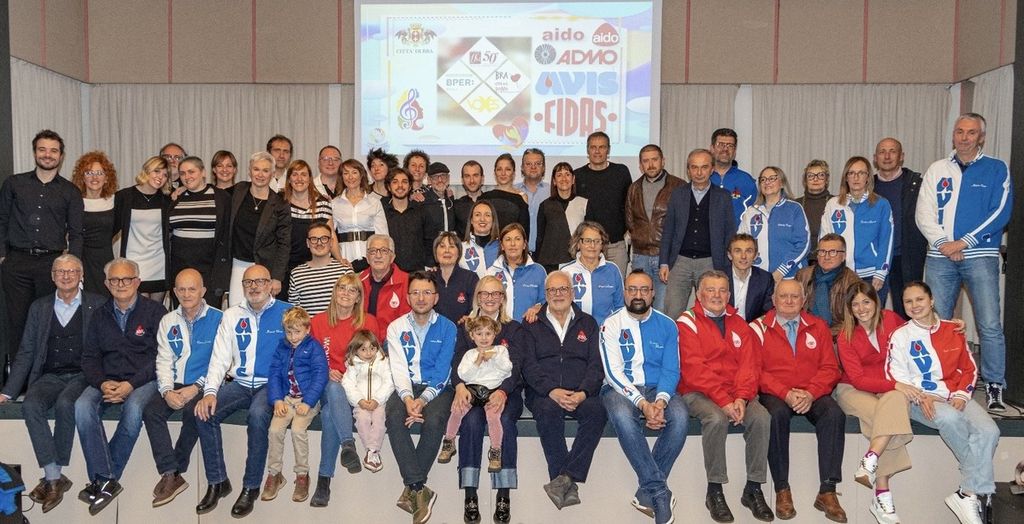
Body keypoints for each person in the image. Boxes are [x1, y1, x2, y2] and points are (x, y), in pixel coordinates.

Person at [916, 112, 1013, 412]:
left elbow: (1001, 212)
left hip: (980, 255)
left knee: (989, 324)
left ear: (981, 137)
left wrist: (964, 242)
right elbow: (923, 212)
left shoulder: (996, 168)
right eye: (960, 131)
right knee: (935, 322)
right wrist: (944, 244)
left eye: (971, 132)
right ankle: (939, 381)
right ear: (953, 135)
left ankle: (994, 385)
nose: (964, 137)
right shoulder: (937, 169)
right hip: (940, 256)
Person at [888, 281, 1000, 524]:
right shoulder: (900, 335)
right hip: (920, 400)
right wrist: (921, 395)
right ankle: (977, 491)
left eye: (920, 299)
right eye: (908, 301)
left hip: (954, 395)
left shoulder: (953, 329)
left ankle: (967, 492)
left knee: (990, 431)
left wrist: (960, 395)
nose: (914, 305)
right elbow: (896, 376)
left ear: (932, 301)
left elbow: (969, 368)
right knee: (950, 418)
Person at [0, 255, 103, 513]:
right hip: (49, 376)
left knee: (67, 403)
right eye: (60, 271)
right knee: (30, 405)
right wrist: (8, 392)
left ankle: (52, 479)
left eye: (72, 271)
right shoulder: (40, 307)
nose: (66, 276)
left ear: (81, 275)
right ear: (52, 276)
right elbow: (26, 351)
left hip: (82, 375)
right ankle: (55, 476)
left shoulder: (98, 304)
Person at [193, 264, 291, 518]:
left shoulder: (288, 312)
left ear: (270, 284)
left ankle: (251, 487)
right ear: (243, 286)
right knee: (204, 413)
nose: (254, 287)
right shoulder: (231, 315)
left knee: (257, 416)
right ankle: (217, 482)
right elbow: (219, 358)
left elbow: (300, 353)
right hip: (240, 383)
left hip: (271, 385)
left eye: (260, 281)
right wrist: (210, 392)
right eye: (248, 282)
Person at [677, 270, 774, 523]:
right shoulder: (686, 322)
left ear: (729, 295)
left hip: (735, 394)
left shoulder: (739, 323)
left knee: (761, 417)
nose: (717, 295)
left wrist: (741, 398)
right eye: (710, 290)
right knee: (716, 419)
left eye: (722, 290)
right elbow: (695, 370)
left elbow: (749, 366)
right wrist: (724, 401)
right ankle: (715, 490)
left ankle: (753, 488)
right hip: (698, 392)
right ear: (699, 294)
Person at [74, 257, 166, 515]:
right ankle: (107, 479)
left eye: (127, 279)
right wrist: (102, 383)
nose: (121, 284)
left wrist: (131, 384)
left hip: (145, 380)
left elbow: (162, 356)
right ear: (106, 284)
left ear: (138, 282)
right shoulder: (99, 315)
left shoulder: (156, 312)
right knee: (82, 406)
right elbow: (89, 358)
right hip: (107, 380)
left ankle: (104, 479)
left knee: (134, 409)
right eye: (114, 280)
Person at [750, 279, 846, 522]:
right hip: (776, 393)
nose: (789, 301)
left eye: (795, 296)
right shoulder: (758, 328)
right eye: (784, 296)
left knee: (834, 414)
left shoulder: (818, 326)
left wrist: (811, 393)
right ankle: (782, 489)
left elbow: (830, 368)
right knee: (776, 415)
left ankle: (827, 491)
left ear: (804, 301)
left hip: (811, 392)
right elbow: (756, 371)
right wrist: (785, 393)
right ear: (774, 300)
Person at [600, 270, 685, 524]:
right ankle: (659, 491)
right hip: (620, 389)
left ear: (653, 293)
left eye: (644, 290)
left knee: (680, 417)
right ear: (625, 293)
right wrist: (642, 404)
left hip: (658, 389)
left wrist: (659, 402)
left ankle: (646, 492)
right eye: (633, 289)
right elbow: (613, 373)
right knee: (622, 416)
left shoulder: (668, 325)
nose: (638, 295)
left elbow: (671, 369)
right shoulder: (610, 324)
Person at [521, 271, 606, 509]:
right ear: (545, 294)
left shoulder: (588, 323)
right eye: (552, 290)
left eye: (563, 289)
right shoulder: (531, 323)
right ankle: (564, 478)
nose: (558, 294)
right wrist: (551, 390)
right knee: (548, 411)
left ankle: (565, 478)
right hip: (543, 393)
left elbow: (596, 365)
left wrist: (583, 392)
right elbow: (528, 365)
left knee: (598, 411)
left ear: (572, 292)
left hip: (580, 391)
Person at [833, 281, 915, 524]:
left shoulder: (891, 320)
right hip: (852, 389)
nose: (862, 309)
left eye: (866, 302)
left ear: (876, 301)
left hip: (888, 388)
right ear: (849, 309)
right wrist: (895, 385)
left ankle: (870, 460)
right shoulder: (845, 336)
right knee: (885, 416)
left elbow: (921, 329)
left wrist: (952, 326)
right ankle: (882, 492)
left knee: (892, 405)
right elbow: (858, 380)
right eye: (855, 304)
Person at [2, 130, 84, 371]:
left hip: (51, 266)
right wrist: (3, 256)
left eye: (53, 151)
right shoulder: (14, 184)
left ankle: (44, 377)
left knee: (47, 322)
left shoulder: (70, 191)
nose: (48, 155)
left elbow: (77, 233)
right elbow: (1, 220)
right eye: (42, 149)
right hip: (16, 264)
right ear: (35, 152)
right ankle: (18, 381)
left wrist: (73, 268)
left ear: (61, 156)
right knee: (17, 323)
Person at [449, 275, 526, 523]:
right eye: (484, 293)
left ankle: (503, 494)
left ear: (503, 298)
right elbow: (457, 360)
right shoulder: (465, 326)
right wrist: (459, 386)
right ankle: (470, 494)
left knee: (504, 421)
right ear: (477, 297)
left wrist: (503, 391)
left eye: (496, 293)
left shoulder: (514, 329)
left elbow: (517, 366)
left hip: (507, 393)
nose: (490, 298)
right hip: (472, 393)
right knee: (471, 422)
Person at [142, 268, 222, 507]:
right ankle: (170, 473)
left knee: (194, 411)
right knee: (151, 411)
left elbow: (223, 361)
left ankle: (176, 469)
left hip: (206, 383)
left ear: (203, 291)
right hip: (175, 383)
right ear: (175, 292)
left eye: (192, 289)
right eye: (182, 289)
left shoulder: (220, 319)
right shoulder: (168, 320)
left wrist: (196, 387)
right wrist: (166, 391)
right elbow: (163, 360)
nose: (187, 294)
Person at [385, 271, 458, 524]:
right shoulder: (396, 327)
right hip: (405, 388)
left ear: (436, 297)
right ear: (407, 297)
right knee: (394, 417)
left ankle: (413, 489)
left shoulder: (448, 327)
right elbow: (397, 368)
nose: (421, 297)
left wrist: (423, 400)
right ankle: (418, 487)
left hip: (438, 389)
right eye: (415, 292)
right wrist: (408, 399)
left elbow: (443, 370)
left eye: (427, 292)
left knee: (435, 420)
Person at [309, 273, 380, 506]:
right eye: (342, 288)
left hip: (357, 388)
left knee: (329, 414)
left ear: (359, 297)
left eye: (353, 290)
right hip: (325, 385)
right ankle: (347, 443)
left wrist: (349, 375)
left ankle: (323, 481)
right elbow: (308, 360)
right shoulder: (317, 322)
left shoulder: (368, 322)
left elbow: (375, 360)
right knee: (332, 387)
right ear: (334, 292)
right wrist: (326, 371)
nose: (346, 294)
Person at [658, 148, 736, 319]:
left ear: (712, 169)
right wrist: (664, 262)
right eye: (694, 167)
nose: (699, 172)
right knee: (672, 312)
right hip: (679, 263)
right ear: (688, 170)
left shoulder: (723, 196)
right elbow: (668, 229)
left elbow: (730, 232)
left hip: (711, 262)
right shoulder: (678, 194)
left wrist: (725, 264)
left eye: (704, 167)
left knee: (710, 312)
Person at [262, 306, 328, 504]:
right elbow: (274, 374)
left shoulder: (314, 347)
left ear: (307, 329)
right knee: (274, 430)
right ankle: (274, 474)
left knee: (298, 430)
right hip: (287, 399)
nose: (292, 337)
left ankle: (302, 475)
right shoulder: (282, 347)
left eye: (297, 332)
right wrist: (277, 400)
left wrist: (308, 402)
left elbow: (320, 375)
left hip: (307, 400)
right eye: (289, 332)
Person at [438, 316, 512, 475]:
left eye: (488, 333)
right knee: (457, 408)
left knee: (493, 416)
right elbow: (464, 375)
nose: (484, 338)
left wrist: (494, 358)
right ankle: (449, 441)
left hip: (493, 391)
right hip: (473, 389)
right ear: (472, 336)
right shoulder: (469, 354)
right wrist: (477, 362)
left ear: (495, 334)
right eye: (479, 334)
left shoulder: (501, 351)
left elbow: (507, 370)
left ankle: (496, 451)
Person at [820, 156, 894, 303]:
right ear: (846, 177)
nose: (856, 177)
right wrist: (829, 268)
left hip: (872, 274)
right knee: (842, 315)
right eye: (851, 173)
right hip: (841, 273)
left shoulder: (881, 204)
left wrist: (881, 272)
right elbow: (824, 239)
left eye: (861, 173)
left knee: (871, 315)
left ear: (868, 177)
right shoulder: (833, 204)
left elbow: (887, 240)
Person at [226, 152, 290, 306]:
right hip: (237, 264)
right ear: (249, 171)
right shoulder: (238, 190)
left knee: (262, 310)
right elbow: (215, 194)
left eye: (265, 170)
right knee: (236, 309)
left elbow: (284, 244)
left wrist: (277, 277)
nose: (260, 174)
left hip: (264, 267)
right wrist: (182, 188)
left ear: (272, 174)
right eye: (256, 169)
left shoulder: (280, 204)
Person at [873, 138, 926, 319]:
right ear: (875, 158)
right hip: (874, 260)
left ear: (901, 156)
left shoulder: (917, 185)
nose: (887, 156)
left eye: (892, 151)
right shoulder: (867, 186)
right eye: (882, 152)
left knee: (908, 312)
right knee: (870, 311)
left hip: (906, 257)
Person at [626, 144, 683, 312]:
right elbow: (630, 220)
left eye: (654, 160)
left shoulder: (678, 186)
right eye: (646, 161)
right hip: (640, 256)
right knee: (640, 307)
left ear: (663, 161)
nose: (650, 165)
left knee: (663, 307)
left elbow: (682, 222)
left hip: (666, 257)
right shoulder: (634, 188)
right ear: (640, 165)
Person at [167, 156, 232, 306]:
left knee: (209, 314)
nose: (187, 177)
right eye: (182, 173)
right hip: (179, 269)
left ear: (203, 172)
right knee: (181, 314)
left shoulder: (222, 197)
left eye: (191, 172)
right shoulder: (176, 198)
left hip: (210, 271)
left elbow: (228, 234)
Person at [574, 131, 632, 278]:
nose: (597, 151)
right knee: (590, 285)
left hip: (616, 245)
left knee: (617, 285)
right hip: (588, 246)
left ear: (609, 150)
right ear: (587, 150)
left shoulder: (621, 172)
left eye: (602, 147)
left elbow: (630, 204)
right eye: (593, 147)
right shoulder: (577, 176)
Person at [114, 156, 171, 303]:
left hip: (159, 264)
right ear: (146, 171)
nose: (160, 177)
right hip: (134, 264)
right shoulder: (124, 196)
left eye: (165, 175)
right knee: (140, 310)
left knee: (157, 311)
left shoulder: (167, 200)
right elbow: (111, 228)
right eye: (157, 171)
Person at [738, 166, 810, 281]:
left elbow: (803, 244)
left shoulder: (794, 209)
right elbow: (741, 243)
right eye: (763, 179)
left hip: (790, 276)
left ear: (782, 183)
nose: (767, 182)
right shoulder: (751, 212)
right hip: (759, 277)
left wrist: (781, 271)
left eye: (772, 178)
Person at [340, 329, 393, 473]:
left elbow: (389, 382)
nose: (369, 353)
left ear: (377, 347)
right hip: (361, 404)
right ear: (356, 350)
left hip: (379, 403)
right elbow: (348, 385)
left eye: (372, 348)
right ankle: (371, 451)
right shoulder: (352, 365)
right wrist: (359, 401)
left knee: (379, 421)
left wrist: (377, 399)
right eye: (363, 349)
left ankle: (373, 450)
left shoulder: (383, 362)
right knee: (362, 421)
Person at [281, 159, 333, 299]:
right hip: (286, 268)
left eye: (303, 174)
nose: (299, 179)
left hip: (315, 267)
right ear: (289, 179)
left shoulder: (323, 203)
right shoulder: (280, 203)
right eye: (295, 174)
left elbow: (331, 234)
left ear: (310, 179)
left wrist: (340, 259)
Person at [794, 233, 862, 335]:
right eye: (822, 252)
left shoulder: (853, 281)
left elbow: (854, 320)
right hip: (803, 332)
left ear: (843, 256)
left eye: (833, 252)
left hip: (837, 335)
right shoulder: (802, 275)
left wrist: (827, 335)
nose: (826, 257)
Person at [71, 151, 118, 296]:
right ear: (82, 177)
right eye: (89, 173)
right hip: (81, 258)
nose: (94, 177)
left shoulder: (116, 201)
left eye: (99, 173)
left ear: (107, 178)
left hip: (105, 258)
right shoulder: (74, 202)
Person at [560, 221, 624, 324]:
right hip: (574, 330)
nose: (592, 245)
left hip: (606, 330)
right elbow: (558, 307)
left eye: (597, 241)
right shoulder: (565, 272)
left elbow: (620, 307)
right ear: (578, 244)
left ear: (602, 245)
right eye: (587, 241)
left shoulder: (613, 270)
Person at [331, 159, 387, 272]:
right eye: (346, 173)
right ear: (341, 177)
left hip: (371, 260)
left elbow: (383, 236)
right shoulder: (334, 203)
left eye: (354, 172)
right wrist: (340, 259)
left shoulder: (374, 202)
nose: (350, 177)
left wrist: (375, 259)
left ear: (361, 175)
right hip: (345, 260)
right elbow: (330, 235)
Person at [288, 221, 354, 315]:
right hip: (309, 324)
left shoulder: (345, 271)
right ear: (307, 243)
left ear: (331, 242)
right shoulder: (297, 274)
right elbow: (295, 313)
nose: (319, 243)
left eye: (324, 238)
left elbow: (353, 306)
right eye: (314, 239)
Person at [486, 223, 546, 321]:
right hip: (498, 328)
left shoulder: (538, 271)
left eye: (517, 239)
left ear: (524, 244)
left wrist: (538, 308)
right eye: (508, 239)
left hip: (529, 328)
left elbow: (548, 302)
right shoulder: (491, 272)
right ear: (502, 246)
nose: (513, 244)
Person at [535, 161, 588, 271]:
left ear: (573, 179)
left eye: (567, 174)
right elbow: (540, 238)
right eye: (559, 175)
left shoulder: (584, 203)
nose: (564, 178)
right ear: (554, 181)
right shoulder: (545, 205)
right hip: (549, 263)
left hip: (577, 261)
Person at [360, 234, 411, 342]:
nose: (378, 256)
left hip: (395, 342)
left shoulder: (407, 282)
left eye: (384, 251)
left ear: (392, 257)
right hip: (363, 343)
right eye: (373, 251)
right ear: (367, 258)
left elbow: (407, 322)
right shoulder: (358, 282)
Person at [381, 168, 430, 272]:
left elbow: (429, 240)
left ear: (410, 186)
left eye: (404, 182)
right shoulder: (381, 213)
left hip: (417, 273)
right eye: (395, 182)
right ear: (389, 187)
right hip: (389, 272)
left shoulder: (421, 210)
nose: (400, 186)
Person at [709, 128, 757, 225]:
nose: (725, 149)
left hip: (738, 234)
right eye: (721, 144)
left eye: (730, 145)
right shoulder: (702, 178)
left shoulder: (747, 181)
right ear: (712, 148)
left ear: (734, 151)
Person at [431, 231, 479, 322]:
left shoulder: (471, 278)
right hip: (433, 330)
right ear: (435, 252)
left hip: (462, 329)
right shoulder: (428, 279)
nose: (447, 250)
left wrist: (469, 319)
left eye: (452, 246)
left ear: (459, 253)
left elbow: (475, 310)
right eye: (442, 246)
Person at [481, 154, 530, 238]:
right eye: (499, 169)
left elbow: (524, 230)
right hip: (488, 244)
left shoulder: (522, 197)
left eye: (508, 169)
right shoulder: (485, 197)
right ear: (495, 173)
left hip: (512, 244)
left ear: (513, 173)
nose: (503, 173)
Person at [727, 233, 774, 321]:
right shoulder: (718, 278)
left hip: (752, 327)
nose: (743, 256)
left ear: (755, 256)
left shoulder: (765, 279)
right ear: (729, 255)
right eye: (738, 251)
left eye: (748, 251)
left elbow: (767, 312)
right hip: (724, 327)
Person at [795, 160, 832, 266]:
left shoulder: (836, 203)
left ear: (826, 180)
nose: (815, 179)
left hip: (828, 258)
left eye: (820, 175)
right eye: (811, 176)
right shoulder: (795, 205)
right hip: (800, 260)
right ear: (805, 180)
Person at [515, 148, 550, 253]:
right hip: (517, 252)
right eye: (528, 164)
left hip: (545, 252)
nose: (533, 167)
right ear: (522, 168)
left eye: (538, 164)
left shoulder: (552, 191)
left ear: (543, 168)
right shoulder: (513, 191)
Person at [422, 162, 457, 266]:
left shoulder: (451, 201)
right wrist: (428, 262)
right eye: (435, 177)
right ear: (429, 180)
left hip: (451, 258)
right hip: (430, 262)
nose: (440, 180)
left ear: (448, 179)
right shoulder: (421, 202)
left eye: (443, 176)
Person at [460, 200, 501, 278]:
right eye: (477, 215)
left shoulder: (503, 247)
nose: (482, 219)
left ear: (493, 220)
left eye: (487, 215)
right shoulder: (460, 248)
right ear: (471, 220)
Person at [453, 160, 485, 236]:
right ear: (462, 180)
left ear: (482, 178)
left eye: (475, 175)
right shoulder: (455, 206)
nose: (472, 180)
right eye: (467, 176)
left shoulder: (492, 203)